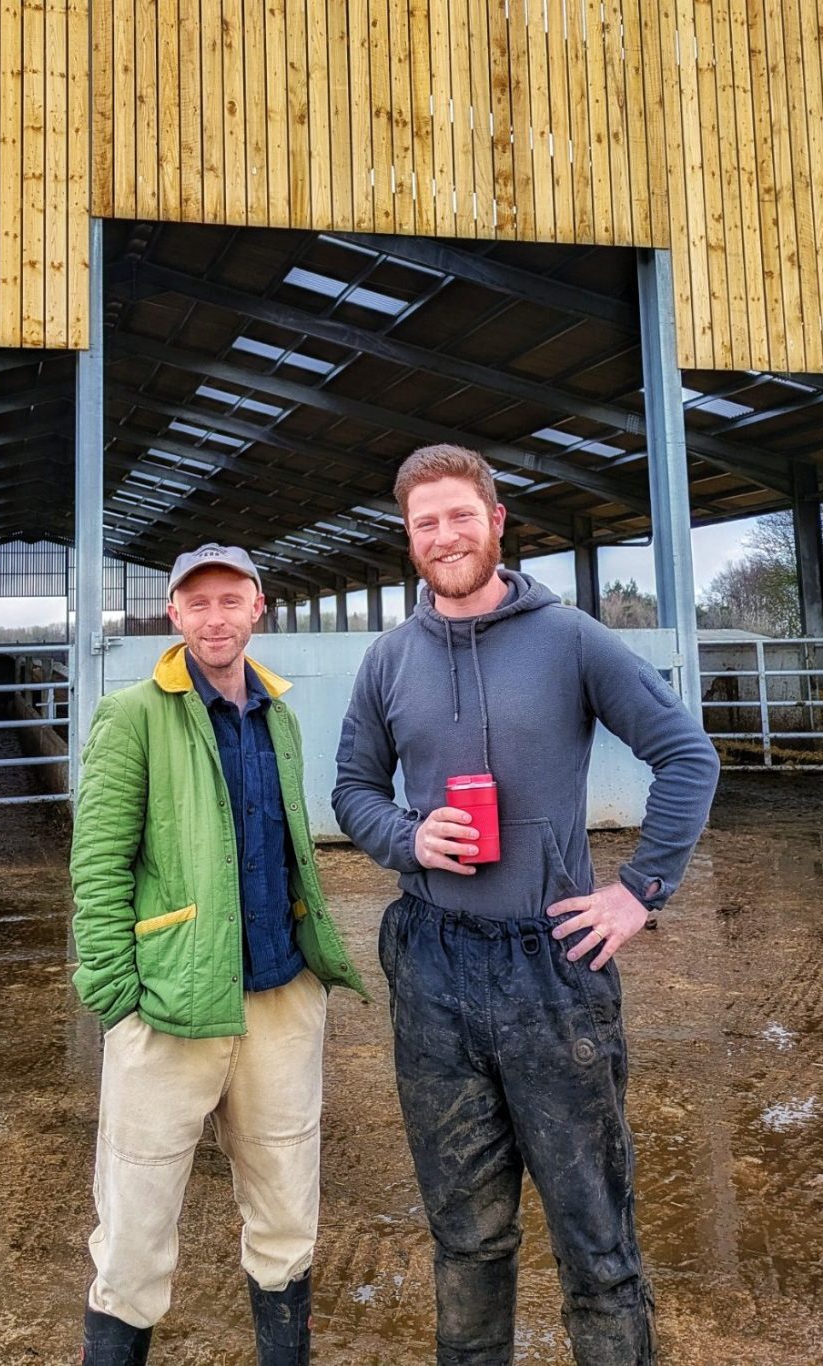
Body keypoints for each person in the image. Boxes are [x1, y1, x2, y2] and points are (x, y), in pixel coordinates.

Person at [332, 446, 720, 1366]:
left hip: (551, 967)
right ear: (407, 537)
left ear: (497, 521)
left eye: (459, 515)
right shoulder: (389, 658)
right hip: (430, 964)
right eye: (425, 522)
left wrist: (637, 893)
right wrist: (405, 837)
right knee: (467, 1237)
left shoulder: (571, 638)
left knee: (596, 1243)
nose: (443, 535)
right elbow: (352, 787)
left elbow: (687, 756)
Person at [70, 543, 366, 1366]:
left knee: (286, 1215)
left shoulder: (280, 712)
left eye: (230, 601)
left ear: (257, 609)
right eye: (196, 603)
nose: (214, 618)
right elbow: (96, 865)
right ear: (173, 614)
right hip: (169, 1008)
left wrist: (312, 972)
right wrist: (115, 997)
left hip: (278, 996)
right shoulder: (134, 714)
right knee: (134, 1229)